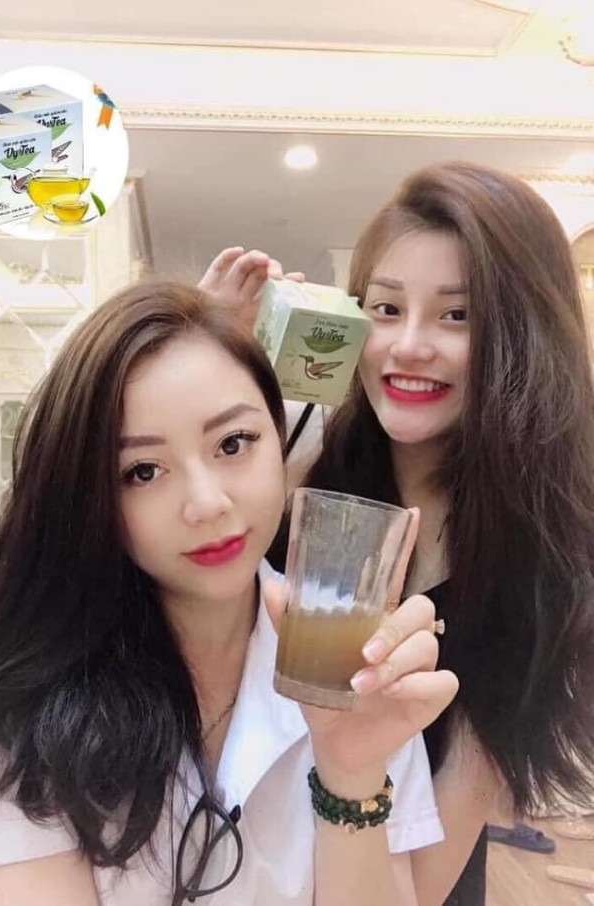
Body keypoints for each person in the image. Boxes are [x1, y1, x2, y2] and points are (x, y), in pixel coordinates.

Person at [0, 282, 458, 906]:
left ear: (281, 443)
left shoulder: (357, 666)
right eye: (142, 471)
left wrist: (351, 774)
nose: (206, 503)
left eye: (233, 444)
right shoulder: (8, 717)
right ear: (85, 498)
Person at [198, 161, 594, 905]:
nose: (408, 346)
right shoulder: (298, 465)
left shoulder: (543, 571)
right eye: (384, 308)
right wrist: (207, 355)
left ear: (524, 335)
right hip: (217, 868)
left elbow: (427, 880)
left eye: (457, 315)